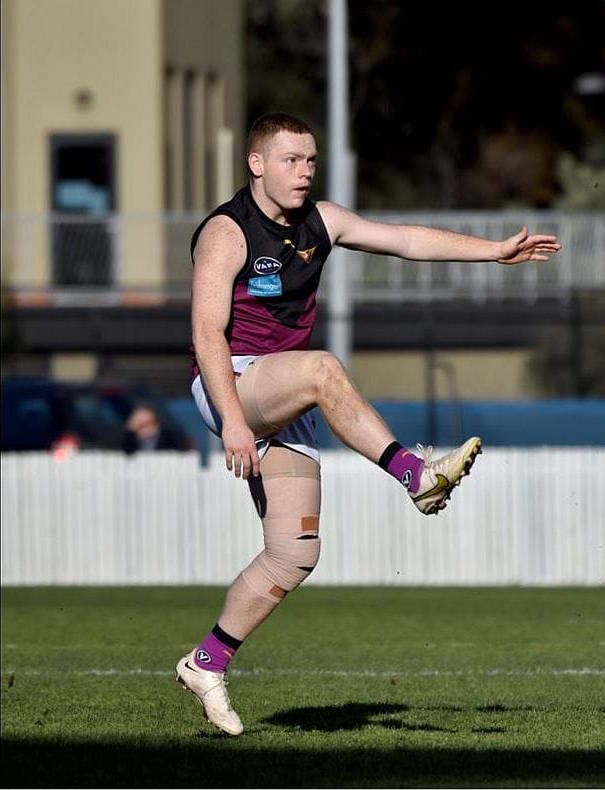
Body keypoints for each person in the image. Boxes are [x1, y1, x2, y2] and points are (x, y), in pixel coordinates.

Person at [176, 112, 562, 737]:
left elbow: (406, 240)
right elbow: (205, 334)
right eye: (290, 160)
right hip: (233, 382)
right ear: (256, 165)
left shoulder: (321, 221)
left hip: (284, 390)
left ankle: (207, 662)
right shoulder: (227, 232)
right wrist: (234, 422)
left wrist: (493, 251)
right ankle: (415, 473)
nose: (303, 172)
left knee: (294, 552)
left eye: (309, 161)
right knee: (325, 370)